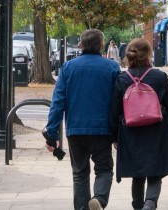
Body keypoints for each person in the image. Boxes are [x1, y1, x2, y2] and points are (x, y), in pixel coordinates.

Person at [45, 29, 121, 210]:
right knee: (104, 169)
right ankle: (100, 200)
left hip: (75, 129)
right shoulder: (111, 68)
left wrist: (51, 133)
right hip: (102, 130)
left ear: (80, 45)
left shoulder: (68, 68)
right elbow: (118, 102)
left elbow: (58, 101)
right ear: (101, 45)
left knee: (79, 173)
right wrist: (118, 133)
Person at [110, 38, 168, 210]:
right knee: (156, 170)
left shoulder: (121, 79)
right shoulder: (159, 76)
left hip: (130, 131)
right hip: (157, 129)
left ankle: (137, 205)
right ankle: (150, 203)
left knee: (138, 173)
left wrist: (114, 136)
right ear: (148, 54)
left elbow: (114, 110)